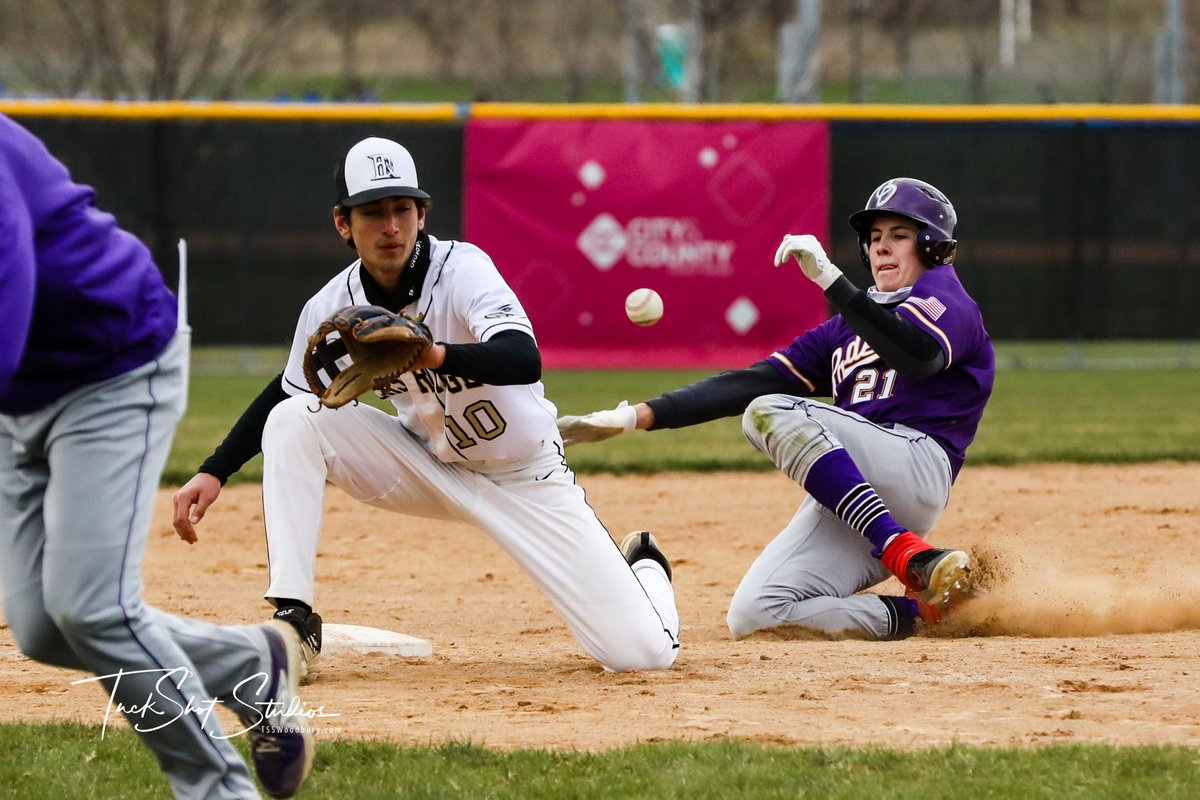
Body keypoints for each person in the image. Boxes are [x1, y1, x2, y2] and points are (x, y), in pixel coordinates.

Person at [172, 136, 680, 675]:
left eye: (402, 209)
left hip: (526, 478)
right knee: (295, 419)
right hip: (425, 464)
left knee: (641, 656)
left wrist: (430, 354)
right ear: (343, 223)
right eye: (373, 212)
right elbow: (288, 388)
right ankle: (294, 622)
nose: (391, 226)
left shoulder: (464, 270)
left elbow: (522, 357)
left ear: (421, 214)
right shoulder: (332, 304)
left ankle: (644, 569)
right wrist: (215, 470)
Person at [0, 113, 313, 799]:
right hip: (21, 393)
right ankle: (246, 664)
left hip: (110, 364)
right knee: (44, 628)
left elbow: (8, 284)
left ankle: (216, 788)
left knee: (93, 610)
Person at [559, 177, 994, 641]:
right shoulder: (843, 330)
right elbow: (749, 382)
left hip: (915, 467)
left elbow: (919, 356)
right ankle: (932, 613)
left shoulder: (946, 297)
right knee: (757, 613)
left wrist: (832, 281)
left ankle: (905, 552)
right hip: (854, 489)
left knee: (768, 411)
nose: (882, 247)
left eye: (899, 236)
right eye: (874, 238)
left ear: (931, 245)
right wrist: (633, 417)